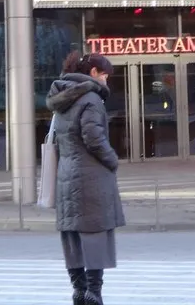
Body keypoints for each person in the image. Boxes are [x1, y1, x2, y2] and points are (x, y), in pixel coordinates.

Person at [47, 52, 126, 305]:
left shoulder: (62, 99)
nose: (106, 79)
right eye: (104, 73)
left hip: (67, 175)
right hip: (91, 178)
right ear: (93, 72)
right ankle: (94, 292)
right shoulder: (90, 99)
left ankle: (79, 290)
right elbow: (93, 137)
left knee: (73, 235)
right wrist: (112, 159)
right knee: (95, 234)